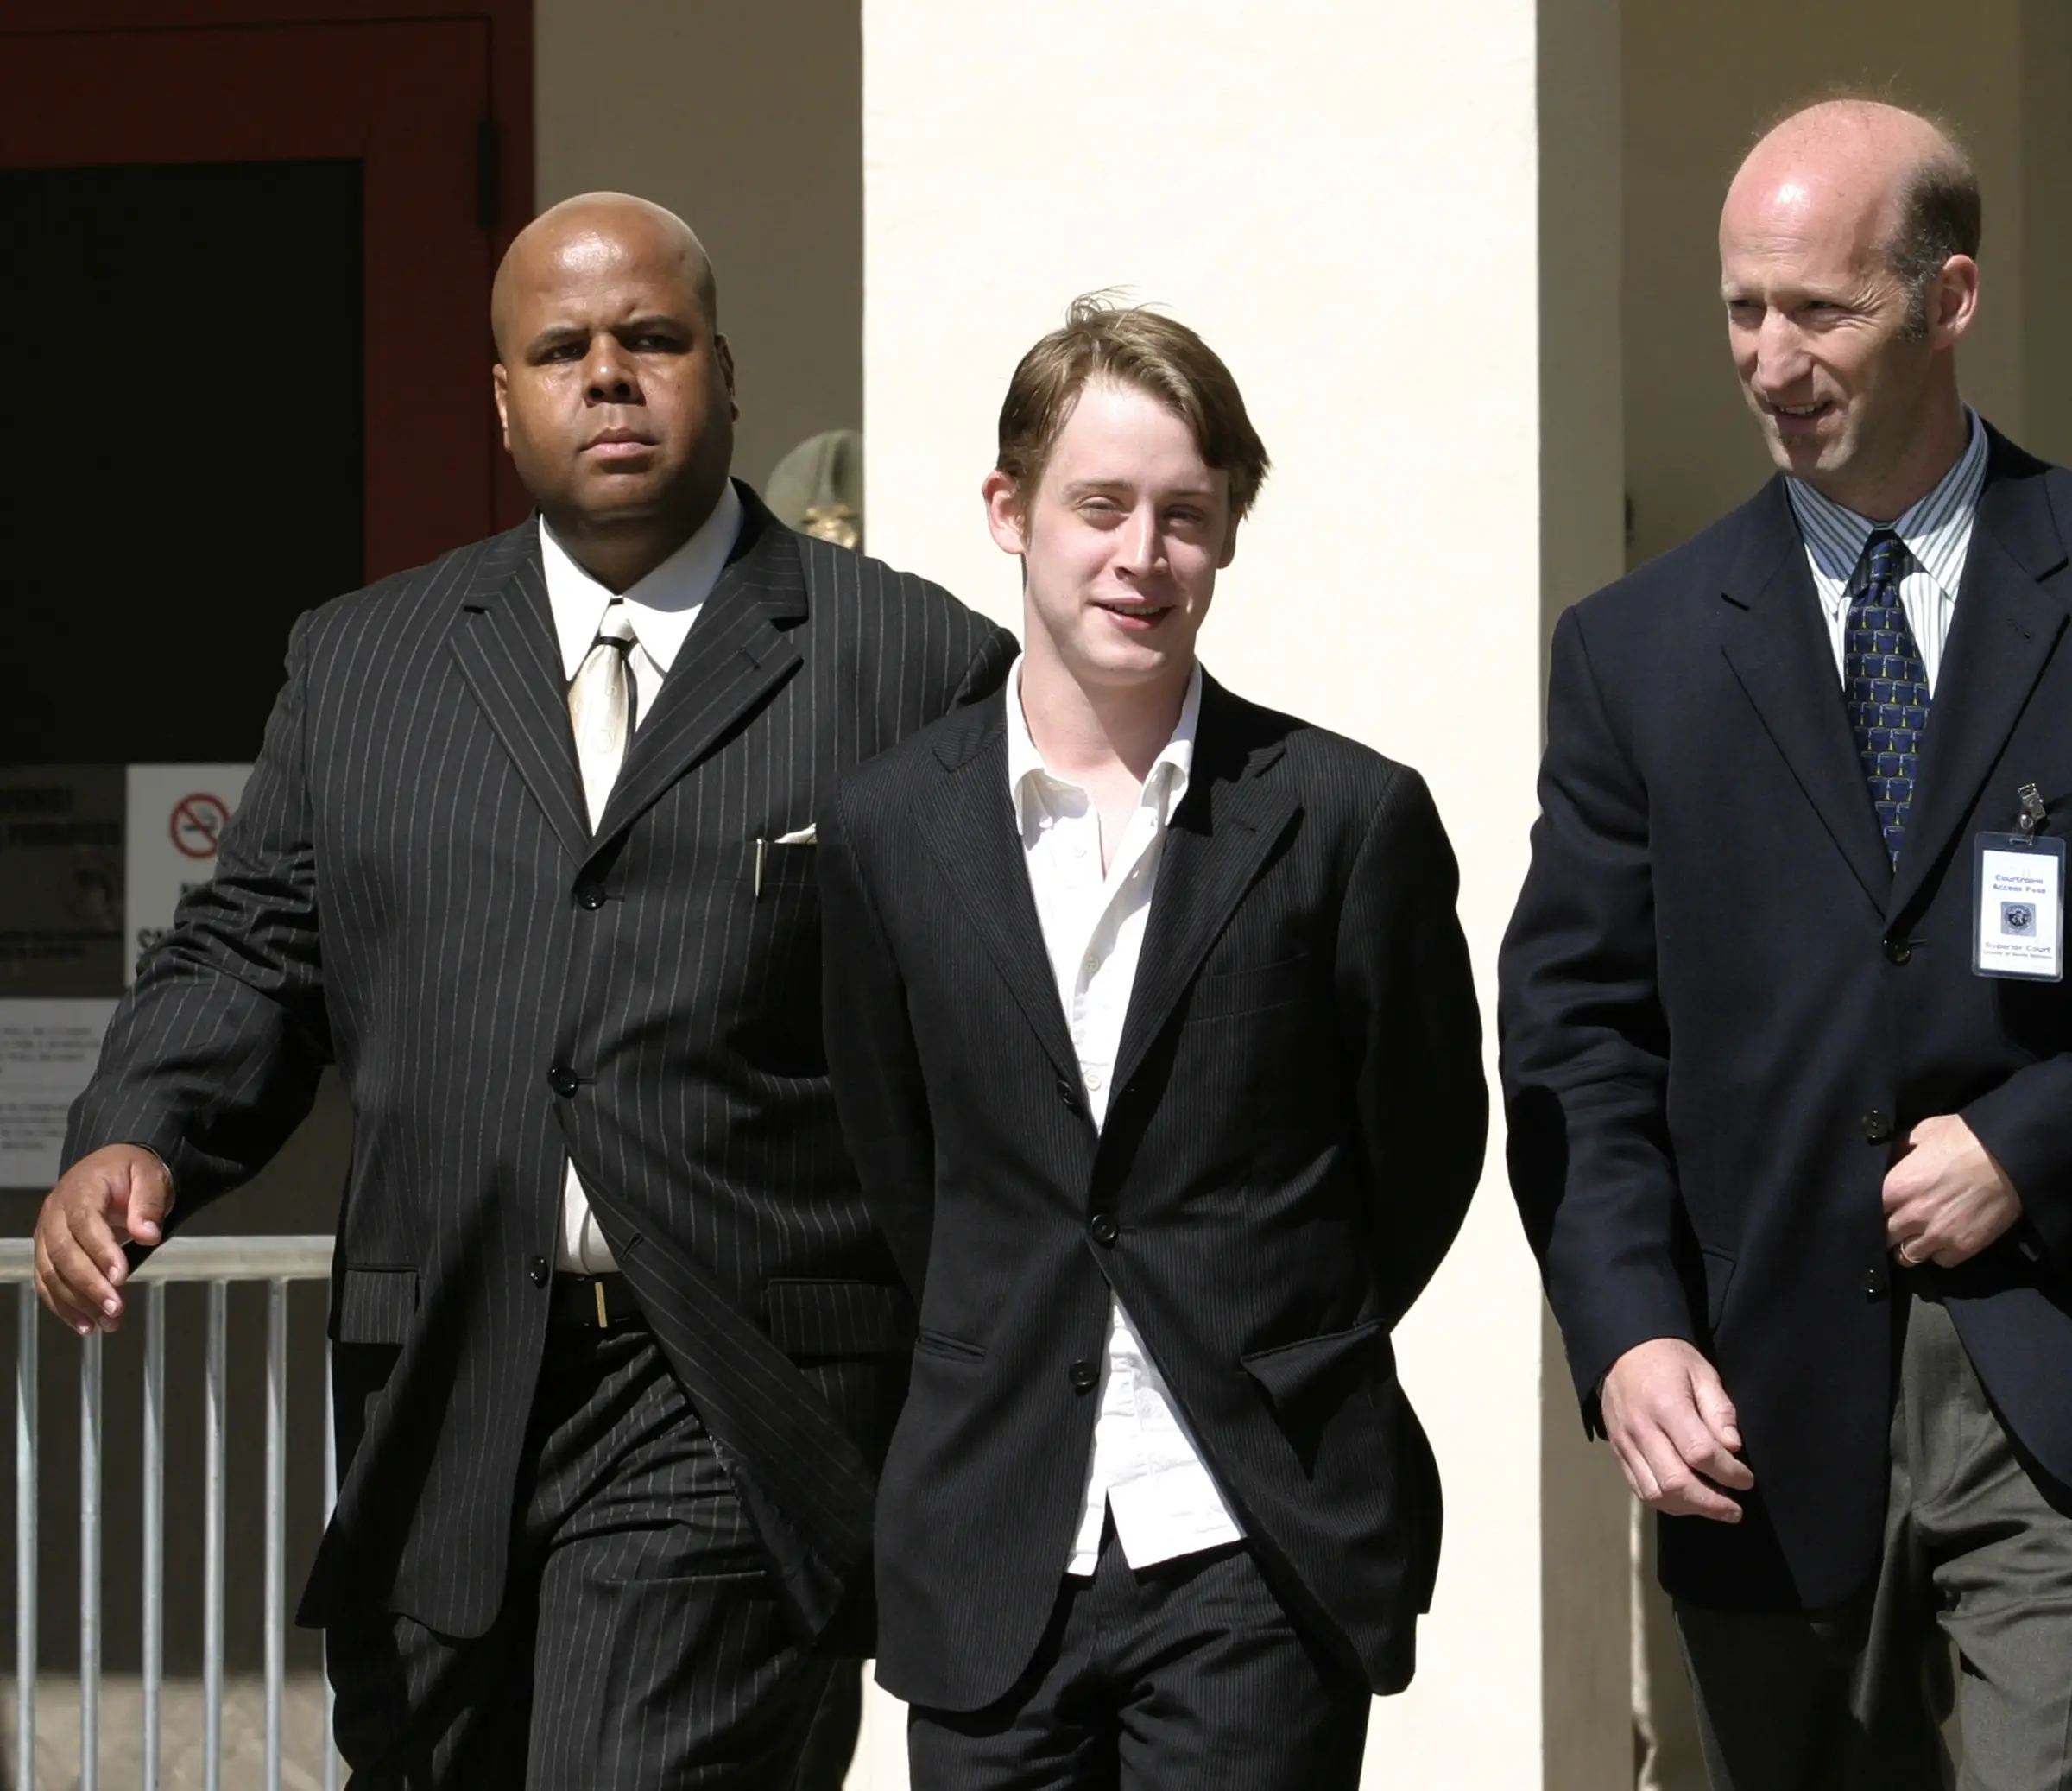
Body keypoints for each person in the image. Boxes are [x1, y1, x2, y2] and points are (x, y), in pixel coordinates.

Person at [32, 192, 1014, 1788]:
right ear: (501, 398)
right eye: (563, 350)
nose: (609, 376)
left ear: (726, 368)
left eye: (651, 340)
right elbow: (253, 944)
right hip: (438, 1388)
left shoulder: (910, 666)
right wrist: (134, 1127)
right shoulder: (366, 665)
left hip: (736, 1395)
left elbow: (996, 1039)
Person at [1501, 98, 2072, 1790]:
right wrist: (1628, 1327)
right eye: (1740, 308)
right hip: (1754, 1397)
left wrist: (2032, 1136)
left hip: (2067, 1363)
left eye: (1817, 310)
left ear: (1946, 299)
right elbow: (1574, 1029)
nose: (1768, 358)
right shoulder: (1631, 655)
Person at [818, 299, 1486, 1788]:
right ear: (1010, 512)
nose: (1142, 555)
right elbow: (894, 1165)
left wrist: (1271, 1318)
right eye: (1101, 506)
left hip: (1254, 1530)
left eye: (1186, 514)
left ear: (1229, 535)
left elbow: (1423, 1152)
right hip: (995, 1539)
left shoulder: (1346, 818)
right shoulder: (885, 830)